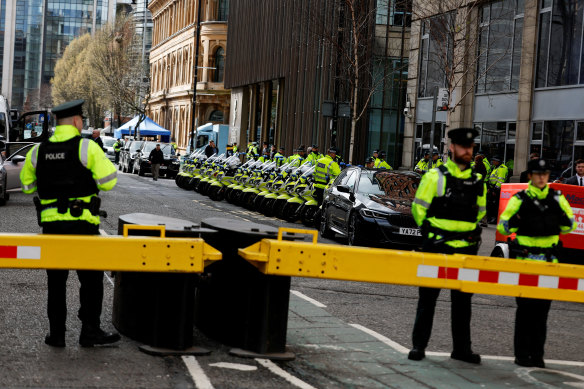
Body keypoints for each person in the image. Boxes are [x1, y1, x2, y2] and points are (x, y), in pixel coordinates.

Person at [19, 99, 120, 348]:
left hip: (52, 227)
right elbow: (109, 181)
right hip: (83, 226)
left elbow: (26, 186)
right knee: (91, 280)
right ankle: (89, 331)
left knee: (56, 283)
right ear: (77, 122)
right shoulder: (87, 148)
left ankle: (57, 335)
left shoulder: (37, 151)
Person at [409, 127, 485, 364]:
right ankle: (419, 347)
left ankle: (462, 350)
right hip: (437, 247)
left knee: (463, 303)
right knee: (428, 299)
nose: (467, 151)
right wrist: (432, 236)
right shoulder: (435, 176)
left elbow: (480, 213)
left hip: (465, 251)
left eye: (470, 148)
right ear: (452, 148)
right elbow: (418, 209)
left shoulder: (477, 180)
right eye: (463, 147)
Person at [498, 159, 576, 368]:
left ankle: (537, 355)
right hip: (525, 260)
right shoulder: (520, 199)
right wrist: (516, 222)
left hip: (548, 263)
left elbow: (570, 224)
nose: (541, 177)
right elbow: (504, 226)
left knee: (542, 312)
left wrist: (560, 220)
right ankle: (522, 355)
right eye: (537, 174)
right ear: (530, 176)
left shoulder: (557, 198)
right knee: (525, 310)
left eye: (545, 174)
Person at [487, 156, 509, 224]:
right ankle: (492, 218)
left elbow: (500, 181)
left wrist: (495, 190)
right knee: (492, 204)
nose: (493, 162)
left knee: (496, 205)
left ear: (498, 161)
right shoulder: (496, 167)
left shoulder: (502, 168)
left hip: (498, 189)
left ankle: (495, 219)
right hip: (493, 188)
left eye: (494, 160)